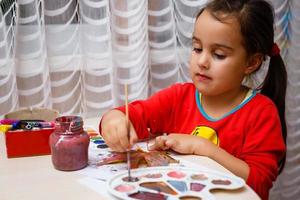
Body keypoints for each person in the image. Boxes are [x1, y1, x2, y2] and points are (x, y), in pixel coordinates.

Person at [100, 0, 287, 199]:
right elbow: (133, 116)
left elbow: (258, 183)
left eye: (219, 54)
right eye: (197, 48)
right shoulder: (178, 97)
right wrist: (114, 120)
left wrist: (204, 148)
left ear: (251, 62)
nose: (202, 62)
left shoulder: (261, 112)